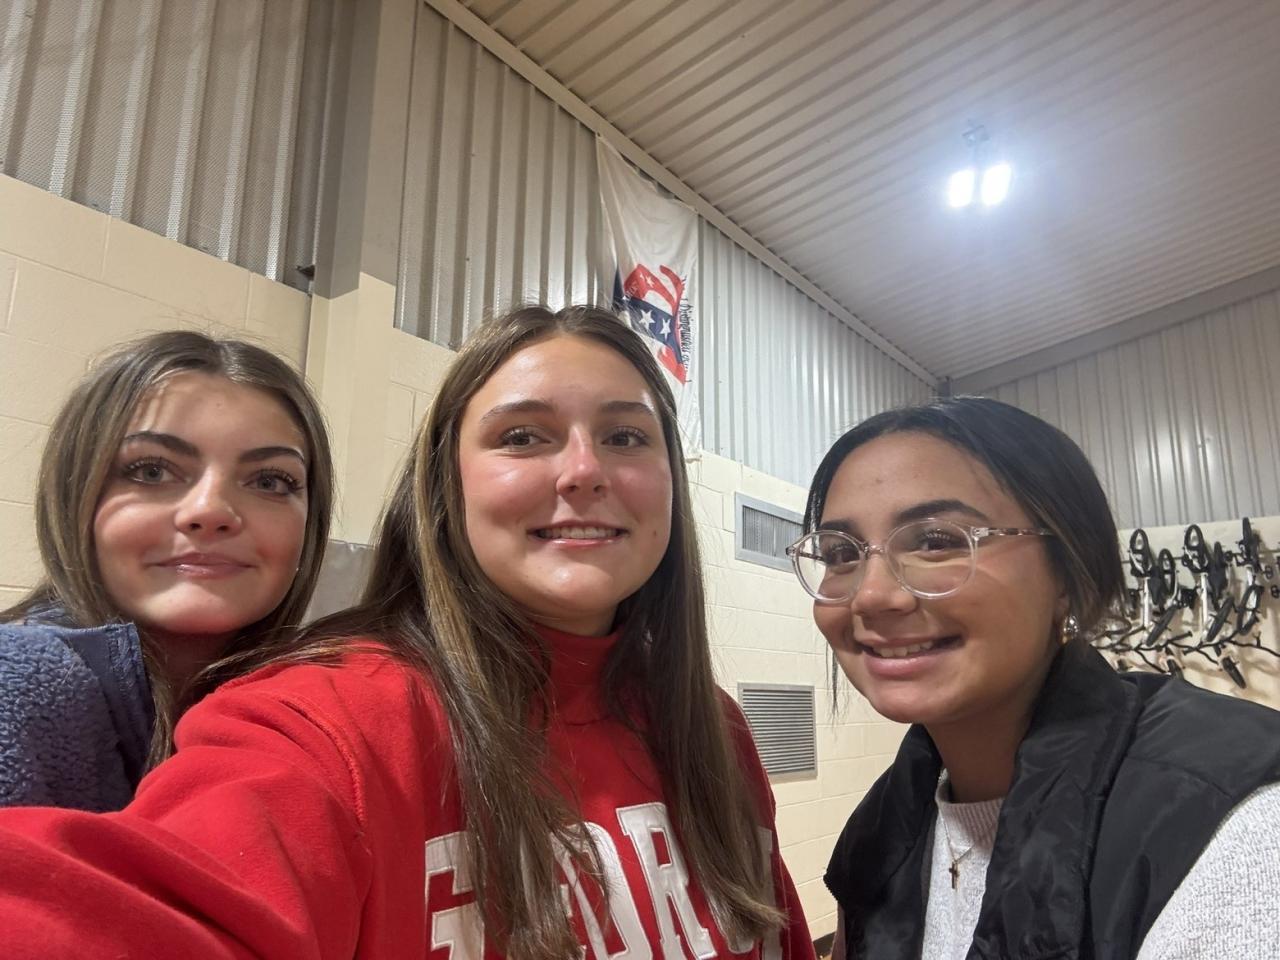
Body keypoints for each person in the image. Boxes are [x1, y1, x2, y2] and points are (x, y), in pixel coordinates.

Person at [0, 305, 815, 960]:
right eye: (522, 436)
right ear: (443, 488)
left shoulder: (714, 727)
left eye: (626, 436)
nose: (584, 471)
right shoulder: (323, 719)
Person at [786, 397, 1280, 960]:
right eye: (839, 554)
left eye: (936, 541)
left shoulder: (1233, 829)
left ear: (1068, 574)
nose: (871, 595)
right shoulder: (883, 825)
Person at [1, 331, 333, 811]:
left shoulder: (313, 711)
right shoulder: (17, 685)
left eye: (269, 481)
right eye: (151, 471)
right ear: (75, 495)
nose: (211, 510)